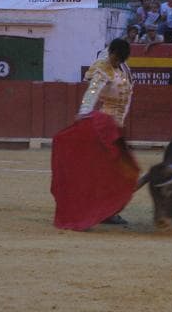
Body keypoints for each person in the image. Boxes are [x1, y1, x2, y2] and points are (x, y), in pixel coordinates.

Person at [52, 38, 139, 230]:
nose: (117, 63)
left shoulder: (121, 66)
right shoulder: (102, 67)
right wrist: (84, 116)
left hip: (116, 126)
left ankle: (107, 210)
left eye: (120, 61)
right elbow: (91, 93)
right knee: (106, 172)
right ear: (112, 53)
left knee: (114, 171)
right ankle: (100, 211)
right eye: (116, 59)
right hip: (104, 129)